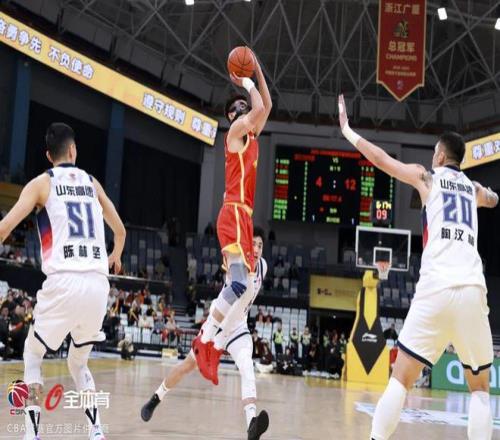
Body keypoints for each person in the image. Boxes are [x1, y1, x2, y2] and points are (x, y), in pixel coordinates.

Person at [338, 95, 499, 440]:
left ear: (440, 156)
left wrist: (348, 131)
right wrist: (490, 195)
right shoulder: (472, 189)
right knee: (480, 388)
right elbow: (492, 199)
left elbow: (382, 160)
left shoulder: (428, 178)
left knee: (401, 378)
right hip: (472, 289)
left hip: (436, 287)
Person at [0, 123, 126, 440]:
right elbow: (121, 231)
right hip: (98, 284)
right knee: (78, 363)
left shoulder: (42, 183)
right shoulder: (93, 183)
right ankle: (96, 431)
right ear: (73, 150)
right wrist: (115, 254)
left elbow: (4, 229)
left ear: (48, 155)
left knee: (33, 354)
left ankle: (32, 434)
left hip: (65, 281)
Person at [141, 227, 270, 440]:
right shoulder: (237, 260)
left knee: (247, 366)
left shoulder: (263, 266)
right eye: (253, 244)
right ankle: (156, 398)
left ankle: (252, 425)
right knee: (186, 366)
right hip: (217, 326)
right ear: (246, 244)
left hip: (238, 328)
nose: (256, 249)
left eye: (260, 245)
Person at [192, 51, 272, 386]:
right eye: (238, 105)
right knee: (238, 283)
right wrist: (245, 81)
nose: (244, 106)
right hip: (234, 211)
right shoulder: (236, 131)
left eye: (244, 103)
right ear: (231, 114)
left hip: (243, 216)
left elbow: (266, 105)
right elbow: (258, 108)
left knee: (240, 284)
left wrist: (257, 69)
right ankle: (206, 340)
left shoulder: (251, 135)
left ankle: (210, 342)